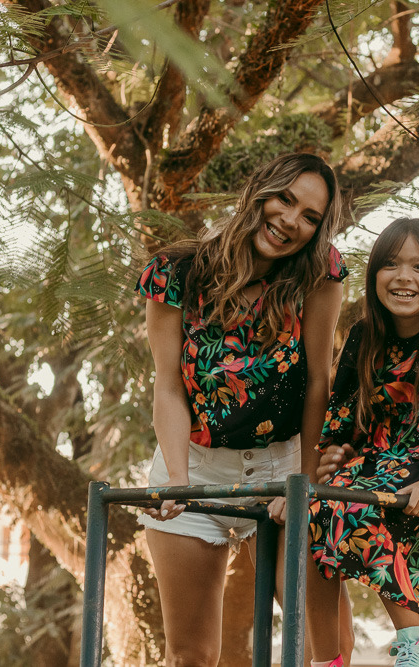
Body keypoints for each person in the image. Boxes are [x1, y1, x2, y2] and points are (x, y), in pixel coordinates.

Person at [135, 153, 352, 666]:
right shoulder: (176, 273)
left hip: (284, 468)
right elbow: (168, 385)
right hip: (194, 466)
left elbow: (318, 382)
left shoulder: (319, 273)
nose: (291, 221)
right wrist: (179, 482)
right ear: (259, 191)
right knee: (190, 655)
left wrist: (304, 485)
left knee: (325, 646)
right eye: (285, 199)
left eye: (310, 217)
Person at [305, 217, 419, 667]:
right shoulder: (363, 336)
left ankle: (415, 643)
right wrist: (336, 454)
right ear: (374, 276)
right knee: (312, 509)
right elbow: (342, 425)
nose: (404, 277)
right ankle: (328, 660)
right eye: (390, 264)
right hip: (376, 460)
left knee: (348, 500)